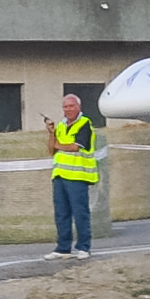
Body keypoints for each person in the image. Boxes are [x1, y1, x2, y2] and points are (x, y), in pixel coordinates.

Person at [45, 93, 98, 260]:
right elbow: (51, 151)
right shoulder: (60, 125)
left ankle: (83, 247)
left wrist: (58, 145)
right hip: (60, 175)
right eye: (65, 107)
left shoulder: (85, 124)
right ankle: (63, 247)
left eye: (71, 106)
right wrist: (52, 134)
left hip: (78, 175)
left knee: (80, 212)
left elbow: (75, 147)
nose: (68, 109)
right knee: (61, 213)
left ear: (78, 107)